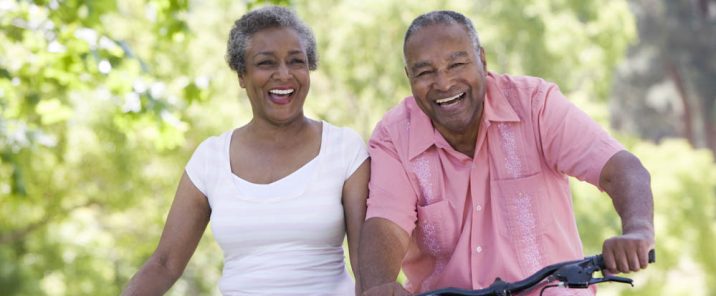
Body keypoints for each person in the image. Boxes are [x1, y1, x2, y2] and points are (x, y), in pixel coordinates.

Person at [358, 10, 654, 296]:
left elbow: (619, 169)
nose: (444, 82)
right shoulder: (394, 136)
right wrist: (379, 285)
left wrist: (637, 231)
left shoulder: (535, 105)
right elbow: (386, 224)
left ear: (482, 60)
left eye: (457, 65)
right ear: (408, 77)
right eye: (425, 72)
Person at [122, 6, 369, 296]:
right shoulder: (210, 158)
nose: (284, 74)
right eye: (266, 63)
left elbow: (367, 266)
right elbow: (164, 264)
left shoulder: (344, 149)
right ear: (242, 75)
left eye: (296, 61)